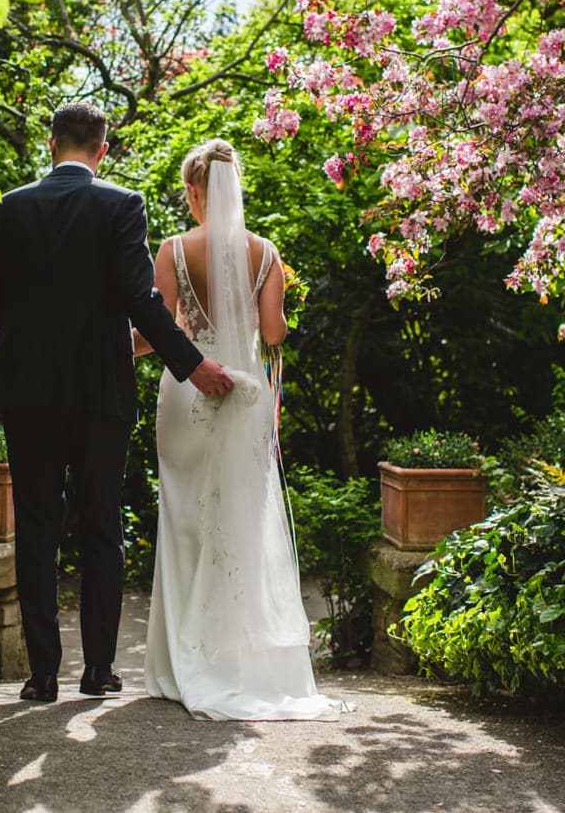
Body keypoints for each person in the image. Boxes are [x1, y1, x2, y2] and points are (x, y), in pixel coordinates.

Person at [0, 102, 235, 705]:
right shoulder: (122, 205)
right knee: (101, 525)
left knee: (36, 525)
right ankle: (98, 671)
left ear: (51, 144)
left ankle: (42, 675)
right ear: (103, 149)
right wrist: (192, 365)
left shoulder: (9, 207)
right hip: (100, 388)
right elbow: (141, 301)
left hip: (28, 389)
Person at [137, 139, 343, 721]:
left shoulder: (174, 248)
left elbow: (155, 333)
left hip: (187, 392)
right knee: (239, 523)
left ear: (195, 190)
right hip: (246, 396)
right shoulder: (266, 252)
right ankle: (234, 661)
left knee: (183, 522)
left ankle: (181, 664)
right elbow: (273, 334)